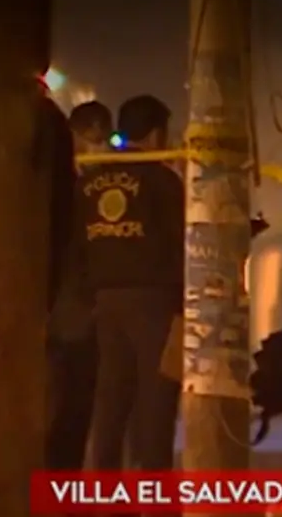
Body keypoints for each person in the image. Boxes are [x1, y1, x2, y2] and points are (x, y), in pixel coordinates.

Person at [79, 95, 183, 471]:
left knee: (110, 401)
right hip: (153, 300)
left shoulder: (91, 178)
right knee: (155, 402)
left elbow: (79, 241)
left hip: (105, 298)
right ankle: (154, 496)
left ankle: (104, 498)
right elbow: (181, 242)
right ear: (157, 134)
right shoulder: (162, 179)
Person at [46, 101, 113, 470]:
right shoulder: (67, 189)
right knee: (64, 416)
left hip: (80, 318)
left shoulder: (92, 188)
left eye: (102, 140)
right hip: (66, 318)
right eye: (91, 139)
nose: (97, 149)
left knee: (76, 416)